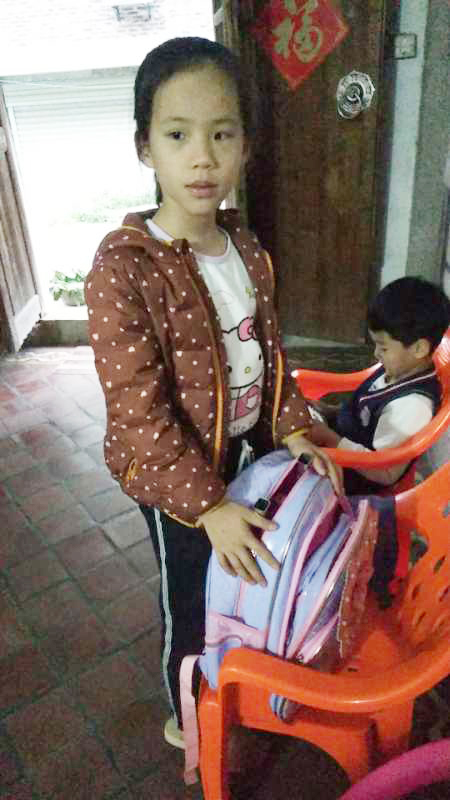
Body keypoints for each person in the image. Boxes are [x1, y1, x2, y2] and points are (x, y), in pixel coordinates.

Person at [85, 36, 341, 749]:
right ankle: (186, 712)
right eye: (178, 135)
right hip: (174, 477)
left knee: (244, 574)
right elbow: (138, 411)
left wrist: (292, 428)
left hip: (245, 447)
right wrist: (209, 506)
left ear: (245, 147)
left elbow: (270, 356)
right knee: (192, 595)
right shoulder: (123, 269)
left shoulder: (247, 250)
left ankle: (246, 667)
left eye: (222, 135)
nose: (202, 157)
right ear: (145, 148)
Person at [308, 276, 450, 493]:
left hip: (351, 479)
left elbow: (385, 471)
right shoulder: (400, 368)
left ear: (419, 349)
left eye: (383, 348)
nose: (376, 354)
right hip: (340, 439)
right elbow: (364, 412)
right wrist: (328, 410)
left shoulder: (412, 406)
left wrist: (330, 439)